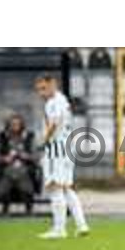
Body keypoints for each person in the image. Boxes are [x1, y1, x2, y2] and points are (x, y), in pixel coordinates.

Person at [35, 75, 89, 238]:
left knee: (54, 186)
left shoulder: (54, 102)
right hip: (67, 148)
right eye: (38, 89)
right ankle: (81, 225)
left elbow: (54, 122)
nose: (40, 93)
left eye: (43, 88)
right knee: (66, 187)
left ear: (53, 84)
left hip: (56, 149)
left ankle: (59, 229)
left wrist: (44, 141)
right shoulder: (63, 100)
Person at [0, 115, 37, 214]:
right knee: (3, 187)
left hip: (24, 170)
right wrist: (5, 158)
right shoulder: (1, 137)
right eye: (12, 124)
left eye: (18, 124)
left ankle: (29, 211)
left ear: (22, 125)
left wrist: (26, 156)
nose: (15, 126)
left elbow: (36, 156)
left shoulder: (29, 137)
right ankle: (4, 211)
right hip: (6, 171)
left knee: (26, 187)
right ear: (8, 125)